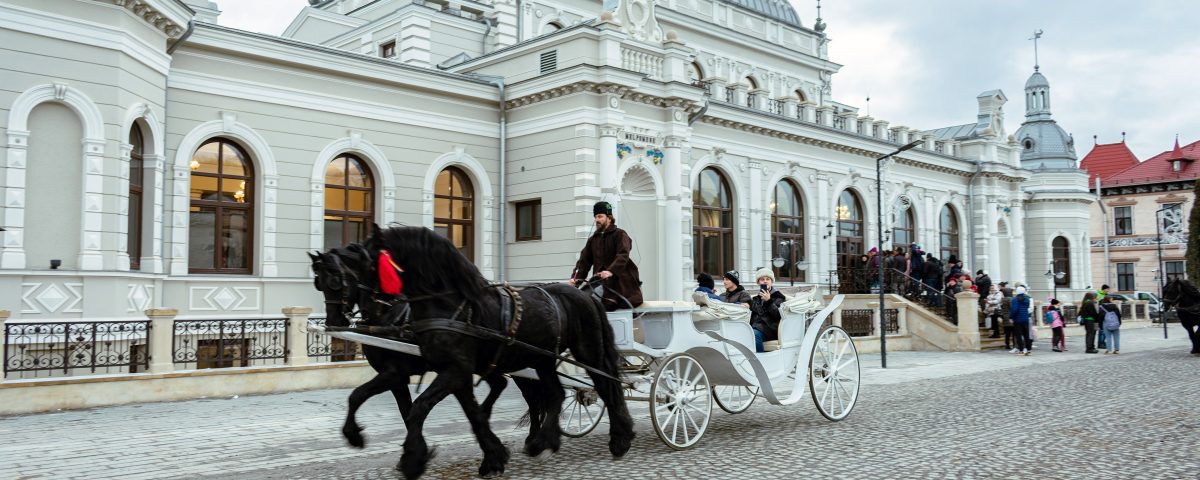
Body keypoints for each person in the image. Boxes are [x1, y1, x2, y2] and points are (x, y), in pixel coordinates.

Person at [570, 201, 643, 311]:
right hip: (598, 282)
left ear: (609, 218)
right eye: (595, 217)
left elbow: (623, 254)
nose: (597, 220)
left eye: (600, 216)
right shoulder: (593, 240)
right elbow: (583, 263)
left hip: (620, 283)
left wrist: (610, 271)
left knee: (594, 303)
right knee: (579, 300)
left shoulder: (620, 234)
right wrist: (575, 280)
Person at [748, 267, 787, 353]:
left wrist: (769, 301)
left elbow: (779, 316)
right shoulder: (755, 299)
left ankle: (760, 361)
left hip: (771, 330)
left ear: (771, 281)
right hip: (756, 327)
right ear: (758, 282)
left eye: (768, 279)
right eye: (762, 279)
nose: (765, 281)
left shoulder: (778, 297)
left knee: (754, 334)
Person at [1010, 286, 1033, 356]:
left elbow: (1014, 310)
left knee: (1018, 335)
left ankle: (1021, 350)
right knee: (1026, 335)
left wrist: (1011, 317)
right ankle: (1028, 350)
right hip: (1025, 318)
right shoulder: (1027, 299)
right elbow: (1027, 307)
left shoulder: (1015, 299)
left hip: (1017, 319)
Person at [1000, 285, 1016, 351]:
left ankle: (1007, 345)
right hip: (1010, 318)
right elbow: (1012, 308)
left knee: (1007, 333)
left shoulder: (1002, 300)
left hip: (1005, 317)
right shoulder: (1010, 299)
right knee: (1013, 333)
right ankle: (1015, 345)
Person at [1096, 284, 1111, 349]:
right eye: (1107, 289)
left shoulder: (1106, 295)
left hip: (1105, 315)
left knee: (1104, 330)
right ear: (1104, 289)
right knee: (1102, 330)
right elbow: (1099, 305)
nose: (1108, 290)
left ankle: (1103, 342)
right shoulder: (1099, 295)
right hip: (1101, 315)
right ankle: (1101, 343)